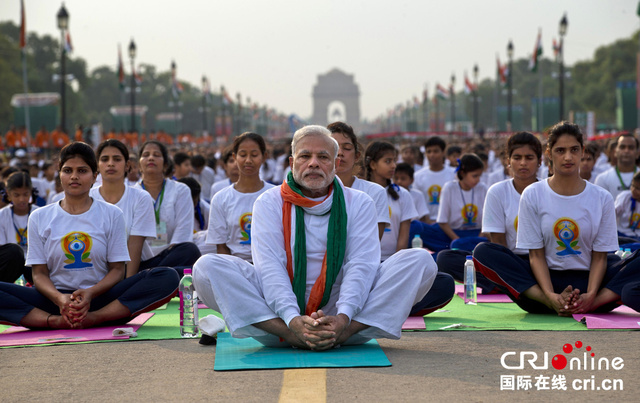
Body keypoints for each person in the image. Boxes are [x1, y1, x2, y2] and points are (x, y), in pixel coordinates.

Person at [192, 125, 437, 350]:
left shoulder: (359, 202)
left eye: (323, 157)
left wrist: (343, 319)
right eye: (305, 156)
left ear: (335, 163)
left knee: (421, 262)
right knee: (206, 267)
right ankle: (292, 336)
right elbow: (270, 267)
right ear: (291, 162)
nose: (313, 164)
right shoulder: (269, 201)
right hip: (276, 317)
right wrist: (292, 321)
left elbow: (360, 265)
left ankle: (340, 335)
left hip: (345, 315)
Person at [0, 142, 179, 329]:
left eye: (82, 171)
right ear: (59, 174)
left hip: (102, 298)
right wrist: (61, 299)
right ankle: (54, 321)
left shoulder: (112, 214)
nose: (74, 177)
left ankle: (95, 318)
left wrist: (90, 293)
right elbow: (39, 274)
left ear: (94, 176)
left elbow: (117, 270)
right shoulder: (39, 217)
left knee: (167, 276)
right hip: (53, 300)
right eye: (67, 170)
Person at [474, 122, 640, 316]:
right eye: (560, 150)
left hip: (590, 284)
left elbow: (599, 257)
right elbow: (535, 255)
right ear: (549, 153)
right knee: (484, 251)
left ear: (582, 151)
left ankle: (592, 304)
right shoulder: (533, 193)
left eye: (574, 150)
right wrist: (550, 296)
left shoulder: (601, 197)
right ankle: (551, 304)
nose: (568, 157)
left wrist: (592, 295)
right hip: (541, 284)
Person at [438, 132, 542, 292]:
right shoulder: (497, 191)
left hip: (542, 262)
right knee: (447, 258)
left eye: (529, 158)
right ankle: (514, 283)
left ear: (540, 161)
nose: (523, 163)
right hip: (510, 260)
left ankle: (508, 285)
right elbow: (498, 242)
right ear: (508, 161)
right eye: (517, 158)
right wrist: (506, 268)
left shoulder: (547, 192)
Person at [90, 139, 157, 277]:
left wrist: (126, 284)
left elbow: (135, 245)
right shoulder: (88, 197)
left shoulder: (140, 197)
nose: (110, 163)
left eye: (117, 159)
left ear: (127, 165)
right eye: (104, 159)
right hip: (96, 271)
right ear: (97, 166)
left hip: (135, 268)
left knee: (187, 251)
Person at [135, 141, 201, 276]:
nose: (151, 158)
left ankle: (152, 277)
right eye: (146, 155)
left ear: (165, 164)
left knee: (190, 250)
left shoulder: (180, 190)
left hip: (173, 257)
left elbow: (183, 232)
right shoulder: (131, 193)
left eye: (156, 155)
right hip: (139, 262)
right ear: (139, 165)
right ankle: (159, 276)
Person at [206, 132, 274, 261]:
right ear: (235, 157)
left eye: (254, 155)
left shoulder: (276, 194)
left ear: (264, 157)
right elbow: (221, 246)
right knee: (204, 263)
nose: (248, 160)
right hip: (235, 265)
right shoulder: (220, 198)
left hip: (270, 264)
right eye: (243, 155)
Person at [328, 121, 389, 239]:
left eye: (347, 148)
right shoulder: (312, 191)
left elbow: (372, 244)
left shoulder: (375, 192)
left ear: (356, 156)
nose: (340, 153)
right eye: (334, 147)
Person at [364, 141, 417, 261]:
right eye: (388, 161)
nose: (393, 166)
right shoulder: (360, 193)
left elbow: (403, 237)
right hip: (365, 260)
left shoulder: (402, 194)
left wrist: (395, 263)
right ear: (373, 164)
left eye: (394, 161)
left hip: (392, 259)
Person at [413, 137, 455, 224]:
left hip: (449, 224)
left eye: (436, 151)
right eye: (429, 151)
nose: (432, 155)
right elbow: (416, 202)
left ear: (443, 153)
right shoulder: (417, 176)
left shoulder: (454, 174)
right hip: (426, 224)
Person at [595, 134, 639, 201]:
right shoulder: (602, 179)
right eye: (622, 147)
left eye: (631, 147)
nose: (626, 151)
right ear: (615, 152)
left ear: (637, 153)